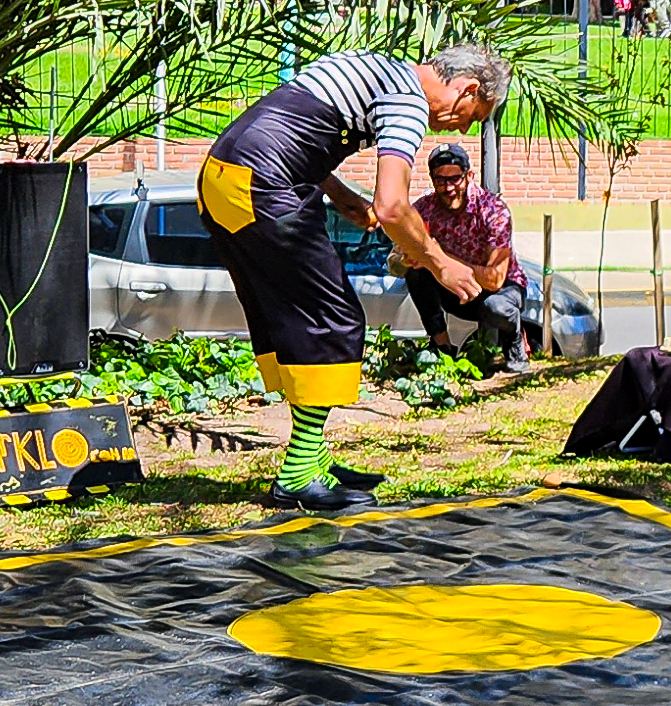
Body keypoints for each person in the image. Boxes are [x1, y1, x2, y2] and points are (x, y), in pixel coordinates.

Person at [198, 46, 510, 508]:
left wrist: (342, 196)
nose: (461, 129)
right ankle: (298, 475)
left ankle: (312, 456)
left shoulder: (375, 67)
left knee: (291, 320)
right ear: (467, 89)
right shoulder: (408, 101)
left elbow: (292, 126)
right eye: (473, 116)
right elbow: (392, 206)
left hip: (222, 179)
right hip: (265, 186)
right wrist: (440, 262)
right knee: (334, 320)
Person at [398, 142, 531, 375]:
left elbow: (495, 279)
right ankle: (442, 348)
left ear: (469, 176)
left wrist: (440, 256)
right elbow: (397, 258)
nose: (448, 188)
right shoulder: (422, 209)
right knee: (416, 274)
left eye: (455, 179)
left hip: (499, 291)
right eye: (441, 180)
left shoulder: (493, 210)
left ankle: (515, 344)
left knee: (496, 308)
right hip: (456, 291)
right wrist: (408, 258)